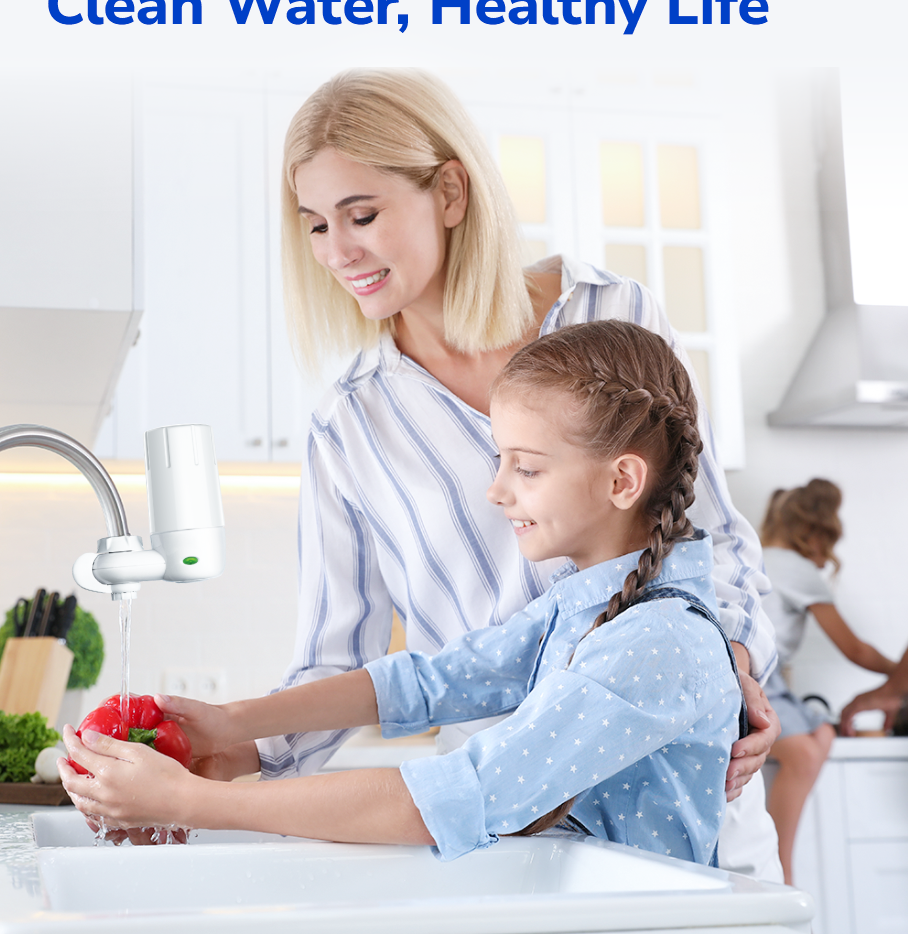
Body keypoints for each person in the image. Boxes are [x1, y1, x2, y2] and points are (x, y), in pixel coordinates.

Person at [188, 68, 779, 875]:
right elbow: (387, 670)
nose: (338, 251)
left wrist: (732, 665)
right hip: (505, 810)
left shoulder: (613, 318)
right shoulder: (350, 423)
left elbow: (709, 538)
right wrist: (234, 746)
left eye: (361, 215)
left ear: (451, 194)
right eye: (316, 225)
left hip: (675, 799)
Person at [61, 320, 743, 865]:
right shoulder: (582, 605)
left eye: (526, 468)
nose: (497, 489)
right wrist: (233, 722)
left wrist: (192, 803)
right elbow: (425, 683)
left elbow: (452, 798)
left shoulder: (657, 639)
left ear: (622, 481)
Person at [759, 478, 897, 884]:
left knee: (821, 733)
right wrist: (899, 675)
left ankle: (780, 871)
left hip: (766, 679)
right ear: (817, 533)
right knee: (804, 752)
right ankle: (780, 875)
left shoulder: (761, 556)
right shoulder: (798, 569)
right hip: (757, 679)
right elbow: (854, 649)